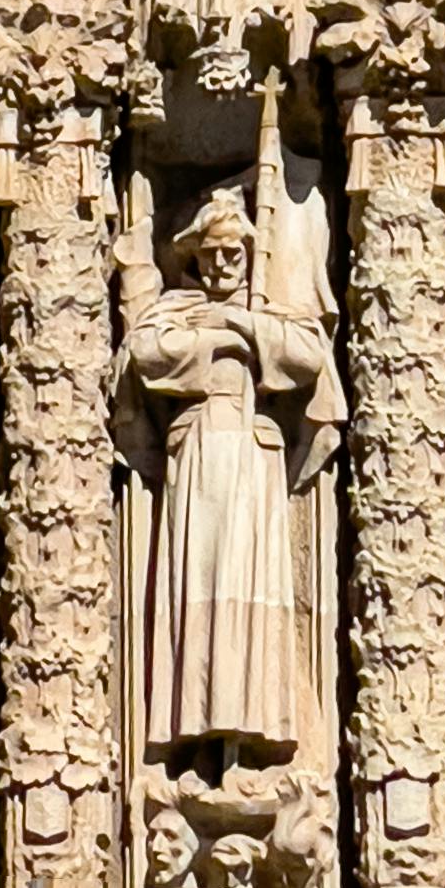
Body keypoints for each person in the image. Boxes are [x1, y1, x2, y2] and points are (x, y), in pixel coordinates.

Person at [115, 181, 341, 766]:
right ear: (193, 257)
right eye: (210, 254)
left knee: (253, 591)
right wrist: (230, 335)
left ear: (249, 254)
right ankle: (195, 731)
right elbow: (149, 354)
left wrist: (246, 330)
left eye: (232, 254)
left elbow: (307, 358)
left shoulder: (270, 311)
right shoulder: (176, 308)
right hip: (194, 458)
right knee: (198, 593)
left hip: (253, 454)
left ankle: (254, 733)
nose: (220, 264)